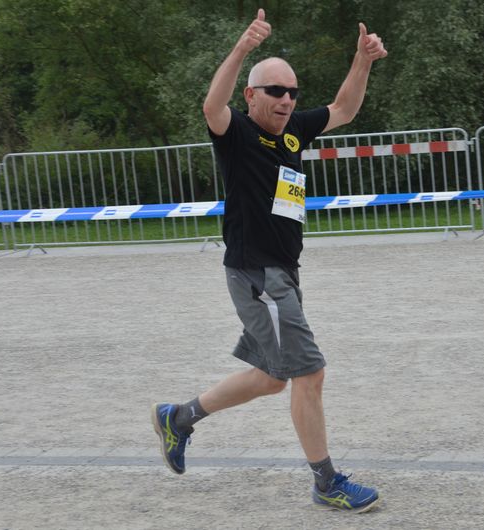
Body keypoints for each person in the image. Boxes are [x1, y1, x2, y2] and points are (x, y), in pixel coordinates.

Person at [150, 9, 387, 513]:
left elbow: (344, 108)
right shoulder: (234, 131)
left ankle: (179, 418)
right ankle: (326, 482)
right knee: (309, 373)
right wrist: (242, 48)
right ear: (251, 95)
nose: (286, 100)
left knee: (271, 377)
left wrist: (362, 60)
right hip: (258, 275)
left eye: (292, 92)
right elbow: (211, 105)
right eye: (275, 91)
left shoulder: (295, 130)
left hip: (283, 273)